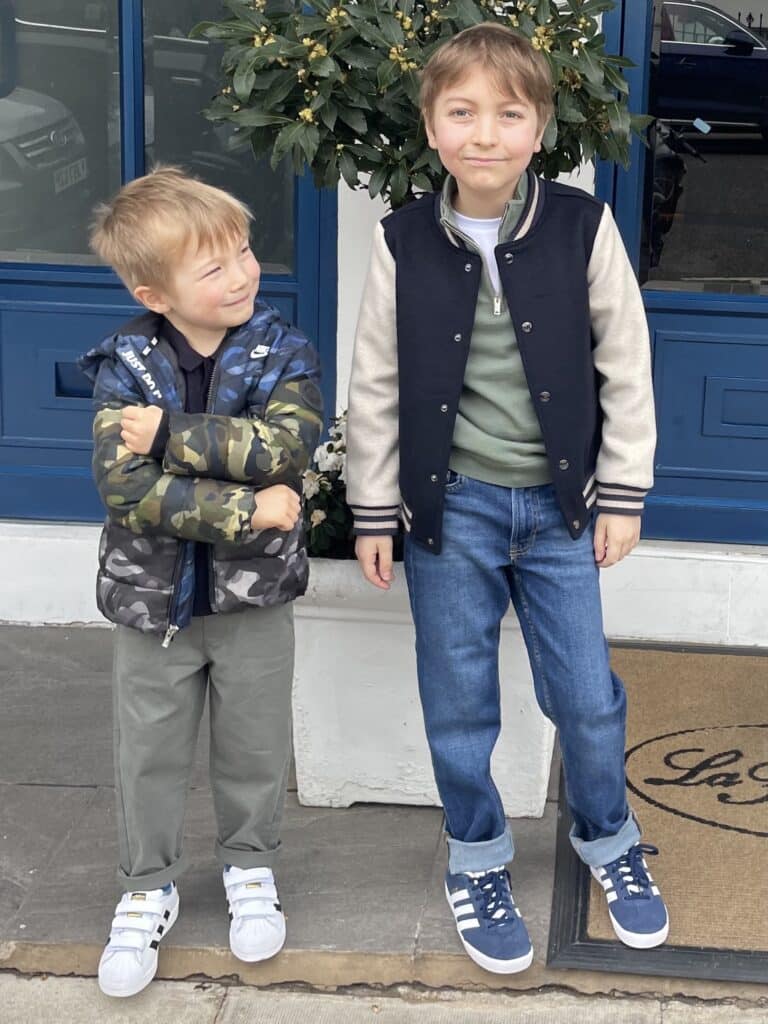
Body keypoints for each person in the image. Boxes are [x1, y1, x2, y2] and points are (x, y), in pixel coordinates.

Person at [346, 24, 668, 975]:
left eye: (509, 113)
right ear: (432, 127)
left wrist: (624, 492)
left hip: (564, 509)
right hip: (455, 508)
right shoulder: (402, 237)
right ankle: (478, 855)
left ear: (540, 128)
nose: (484, 133)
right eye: (462, 112)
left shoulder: (580, 226)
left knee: (584, 696)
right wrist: (373, 507)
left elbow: (626, 364)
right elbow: (376, 382)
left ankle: (608, 836)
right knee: (459, 697)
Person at [79, 167, 323, 997]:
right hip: (151, 607)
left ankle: (251, 867)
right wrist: (251, 513)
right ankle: (146, 886)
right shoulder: (121, 366)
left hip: (253, 603)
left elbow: (286, 450)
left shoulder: (283, 350)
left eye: (245, 251)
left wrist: (172, 435)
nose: (243, 273)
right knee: (147, 752)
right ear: (155, 291)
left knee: (253, 744)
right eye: (213, 268)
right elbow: (126, 492)